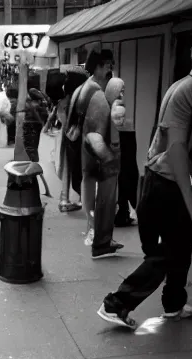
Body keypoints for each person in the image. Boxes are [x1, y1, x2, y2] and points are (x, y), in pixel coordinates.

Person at [97, 67, 192, 329]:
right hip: (170, 182)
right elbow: (176, 148)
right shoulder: (189, 89)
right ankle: (116, 304)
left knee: (181, 247)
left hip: (161, 178)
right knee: (169, 252)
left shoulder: (182, 85)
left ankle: (174, 304)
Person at [68, 49, 123, 259]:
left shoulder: (82, 88)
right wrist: (111, 159)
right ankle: (101, 239)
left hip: (84, 152)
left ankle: (93, 230)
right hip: (95, 152)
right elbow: (96, 135)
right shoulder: (97, 95)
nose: (110, 68)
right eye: (108, 64)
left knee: (89, 188)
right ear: (99, 66)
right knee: (105, 198)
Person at [57, 68, 88, 212]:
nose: (65, 81)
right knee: (78, 168)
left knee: (67, 168)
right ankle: (79, 199)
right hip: (77, 137)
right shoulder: (79, 97)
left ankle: (64, 198)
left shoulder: (65, 98)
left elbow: (60, 116)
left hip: (66, 135)